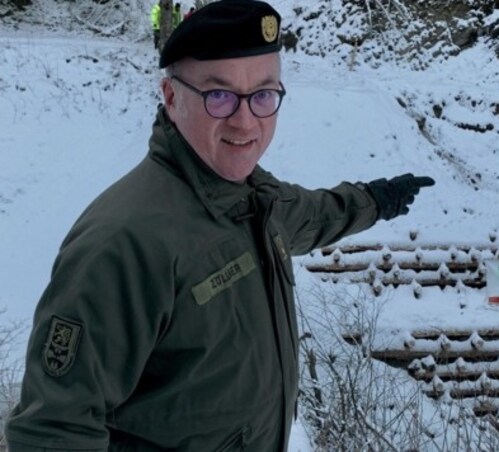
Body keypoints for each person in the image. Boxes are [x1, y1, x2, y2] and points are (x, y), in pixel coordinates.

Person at [4, 1, 435, 451]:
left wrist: (375, 200)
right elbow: (53, 430)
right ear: (171, 97)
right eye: (219, 95)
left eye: (263, 95)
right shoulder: (125, 241)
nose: (245, 120)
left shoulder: (252, 199)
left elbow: (310, 214)